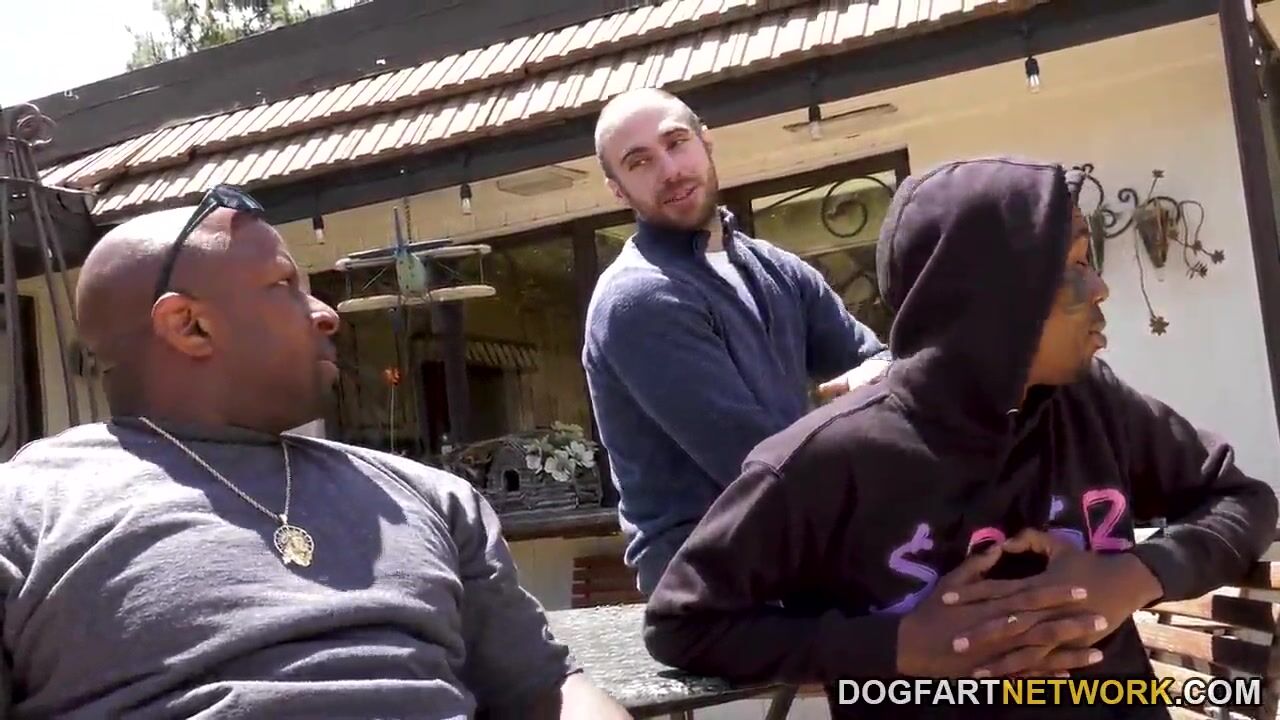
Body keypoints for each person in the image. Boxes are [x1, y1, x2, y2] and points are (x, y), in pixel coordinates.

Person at [642, 157, 1279, 718]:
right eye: (1078, 265)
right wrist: (897, 646)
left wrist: (1135, 574)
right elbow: (685, 624)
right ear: (997, 299)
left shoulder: (1092, 404)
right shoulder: (829, 461)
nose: (1101, 288)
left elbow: (1242, 498)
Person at [0, 190, 632, 720]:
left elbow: (548, 689)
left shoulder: (428, 497)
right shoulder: (27, 512)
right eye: (284, 285)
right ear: (190, 326)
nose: (327, 314)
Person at [584, 87, 892, 595]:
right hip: (713, 588)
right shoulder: (639, 297)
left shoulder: (776, 269)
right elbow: (759, 462)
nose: (669, 170)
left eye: (676, 143)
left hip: (803, 560)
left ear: (706, 142)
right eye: (640, 162)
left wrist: (881, 378)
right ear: (617, 190)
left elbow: (878, 365)